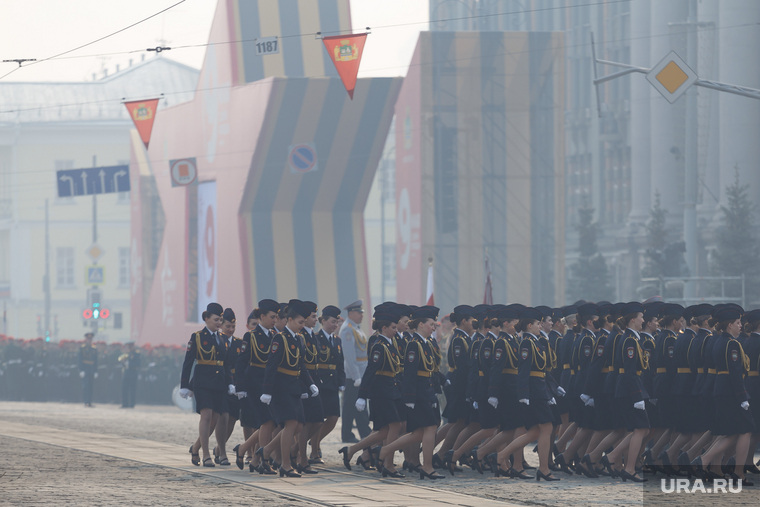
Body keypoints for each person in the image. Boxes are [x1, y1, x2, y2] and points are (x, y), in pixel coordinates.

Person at [378, 305, 445, 480]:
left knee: (419, 433)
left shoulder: (425, 343)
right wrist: (409, 398)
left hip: (427, 390)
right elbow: (409, 373)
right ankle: (427, 467)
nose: (434, 327)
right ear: (421, 324)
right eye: (431, 323)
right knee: (430, 428)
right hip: (419, 393)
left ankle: (386, 449)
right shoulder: (414, 345)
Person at [260, 299, 319, 478]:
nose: (302, 326)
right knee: (291, 424)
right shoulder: (280, 338)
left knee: (299, 426)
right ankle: (285, 465)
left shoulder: (299, 339)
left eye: (304, 322)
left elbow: (301, 366)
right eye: (300, 322)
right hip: (280, 387)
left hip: (294, 386)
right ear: (289, 320)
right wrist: (267, 391)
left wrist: (310, 384)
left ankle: (267, 450)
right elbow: (271, 366)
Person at [180, 302, 233, 468]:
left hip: (220, 382)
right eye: (216, 319)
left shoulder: (223, 338)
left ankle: (195, 447)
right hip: (202, 381)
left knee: (215, 419)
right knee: (207, 415)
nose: (219, 323)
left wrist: (230, 383)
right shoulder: (197, 337)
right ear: (206, 318)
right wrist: (185, 385)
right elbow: (188, 362)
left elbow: (226, 363)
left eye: (220, 320)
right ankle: (206, 454)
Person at [311, 305, 345, 462]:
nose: (335, 325)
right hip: (320, 383)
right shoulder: (316, 338)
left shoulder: (337, 340)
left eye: (337, 322)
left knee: (333, 417)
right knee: (318, 418)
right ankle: (314, 450)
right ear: (323, 321)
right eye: (332, 321)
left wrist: (341, 382)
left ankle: (315, 441)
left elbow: (340, 364)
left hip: (332, 383)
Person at [340, 300, 371, 443]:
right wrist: (356, 376)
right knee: (354, 405)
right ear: (351, 313)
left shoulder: (356, 327)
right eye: (359, 313)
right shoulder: (348, 329)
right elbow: (349, 355)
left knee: (353, 404)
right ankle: (357, 432)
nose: (361, 315)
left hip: (360, 373)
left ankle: (357, 432)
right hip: (354, 375)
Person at [78, 332, 98, 407]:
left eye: (90, 339)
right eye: (88, 339)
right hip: (85, 369)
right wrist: (81, 370)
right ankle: (85, 401)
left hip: (92, 369)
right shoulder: (82, 348)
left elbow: (96, 361)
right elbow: (80, 360)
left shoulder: (94, 349)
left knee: (91, 386)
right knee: (85, 386)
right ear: (86, 339)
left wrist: (96, 371)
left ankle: (89, 402)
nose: (89, 340)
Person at [119, 342, 141, 408]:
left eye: (131, 346)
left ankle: (132, 404)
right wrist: (123, 363)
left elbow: (138, 364)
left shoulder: (137, 354)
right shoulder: (127, 354)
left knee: (132, 389)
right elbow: (124, 364)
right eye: (129, 347)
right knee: (124, 388)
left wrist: (129, 364)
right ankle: (124, 403)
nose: (130, 348)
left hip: (133, 372)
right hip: (126, 372)